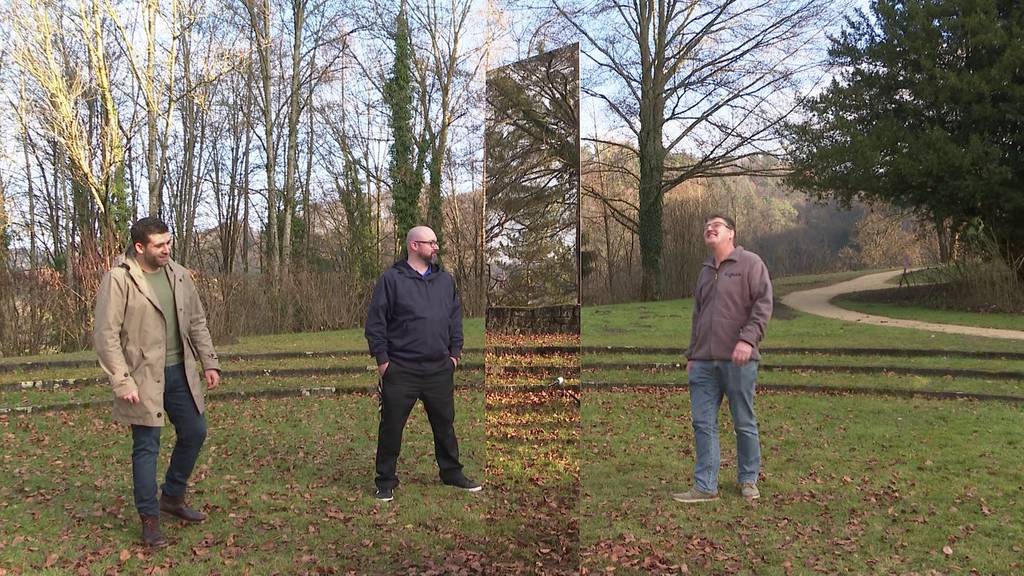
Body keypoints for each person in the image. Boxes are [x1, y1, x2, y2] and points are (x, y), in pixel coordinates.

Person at [94, 217, 221, 547]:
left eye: (169, 243)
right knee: (147, 446)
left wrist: (209, 362)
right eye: (159, 245)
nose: (167, 249)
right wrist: (123, 382)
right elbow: (105, 336)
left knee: (195, 431)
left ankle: (173, 497)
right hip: (141, 378)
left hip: (180, 371)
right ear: (140, 247)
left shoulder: (178, 275)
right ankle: (149, 518)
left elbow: (196, 322)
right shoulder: (119, 280)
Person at [365, 225, 481, 502]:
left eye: (436, 242)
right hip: (401, 369)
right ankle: (385, 480)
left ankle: (451, 472)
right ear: (414, 246)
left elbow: (455, 320)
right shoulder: (391, 280)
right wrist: (384, 363)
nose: (436, 247)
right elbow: (375, 324)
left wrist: (454, 355)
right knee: (391, 427)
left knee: (445, 425)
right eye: (431, 243)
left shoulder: (445, 281)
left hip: (439, 369)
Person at [674, 214, 773, 503]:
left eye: (716, 224)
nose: (709, 228)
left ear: (731, 233)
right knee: (703, 423)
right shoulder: (705, 271)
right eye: (706, 225)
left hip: (738, 359)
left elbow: (763, 305)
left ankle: (748, 480)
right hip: (703, 362)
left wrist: (747, 339)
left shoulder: (751, 264)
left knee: (743, 421)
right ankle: (705, 486)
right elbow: (698, 315)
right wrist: (692, 353)